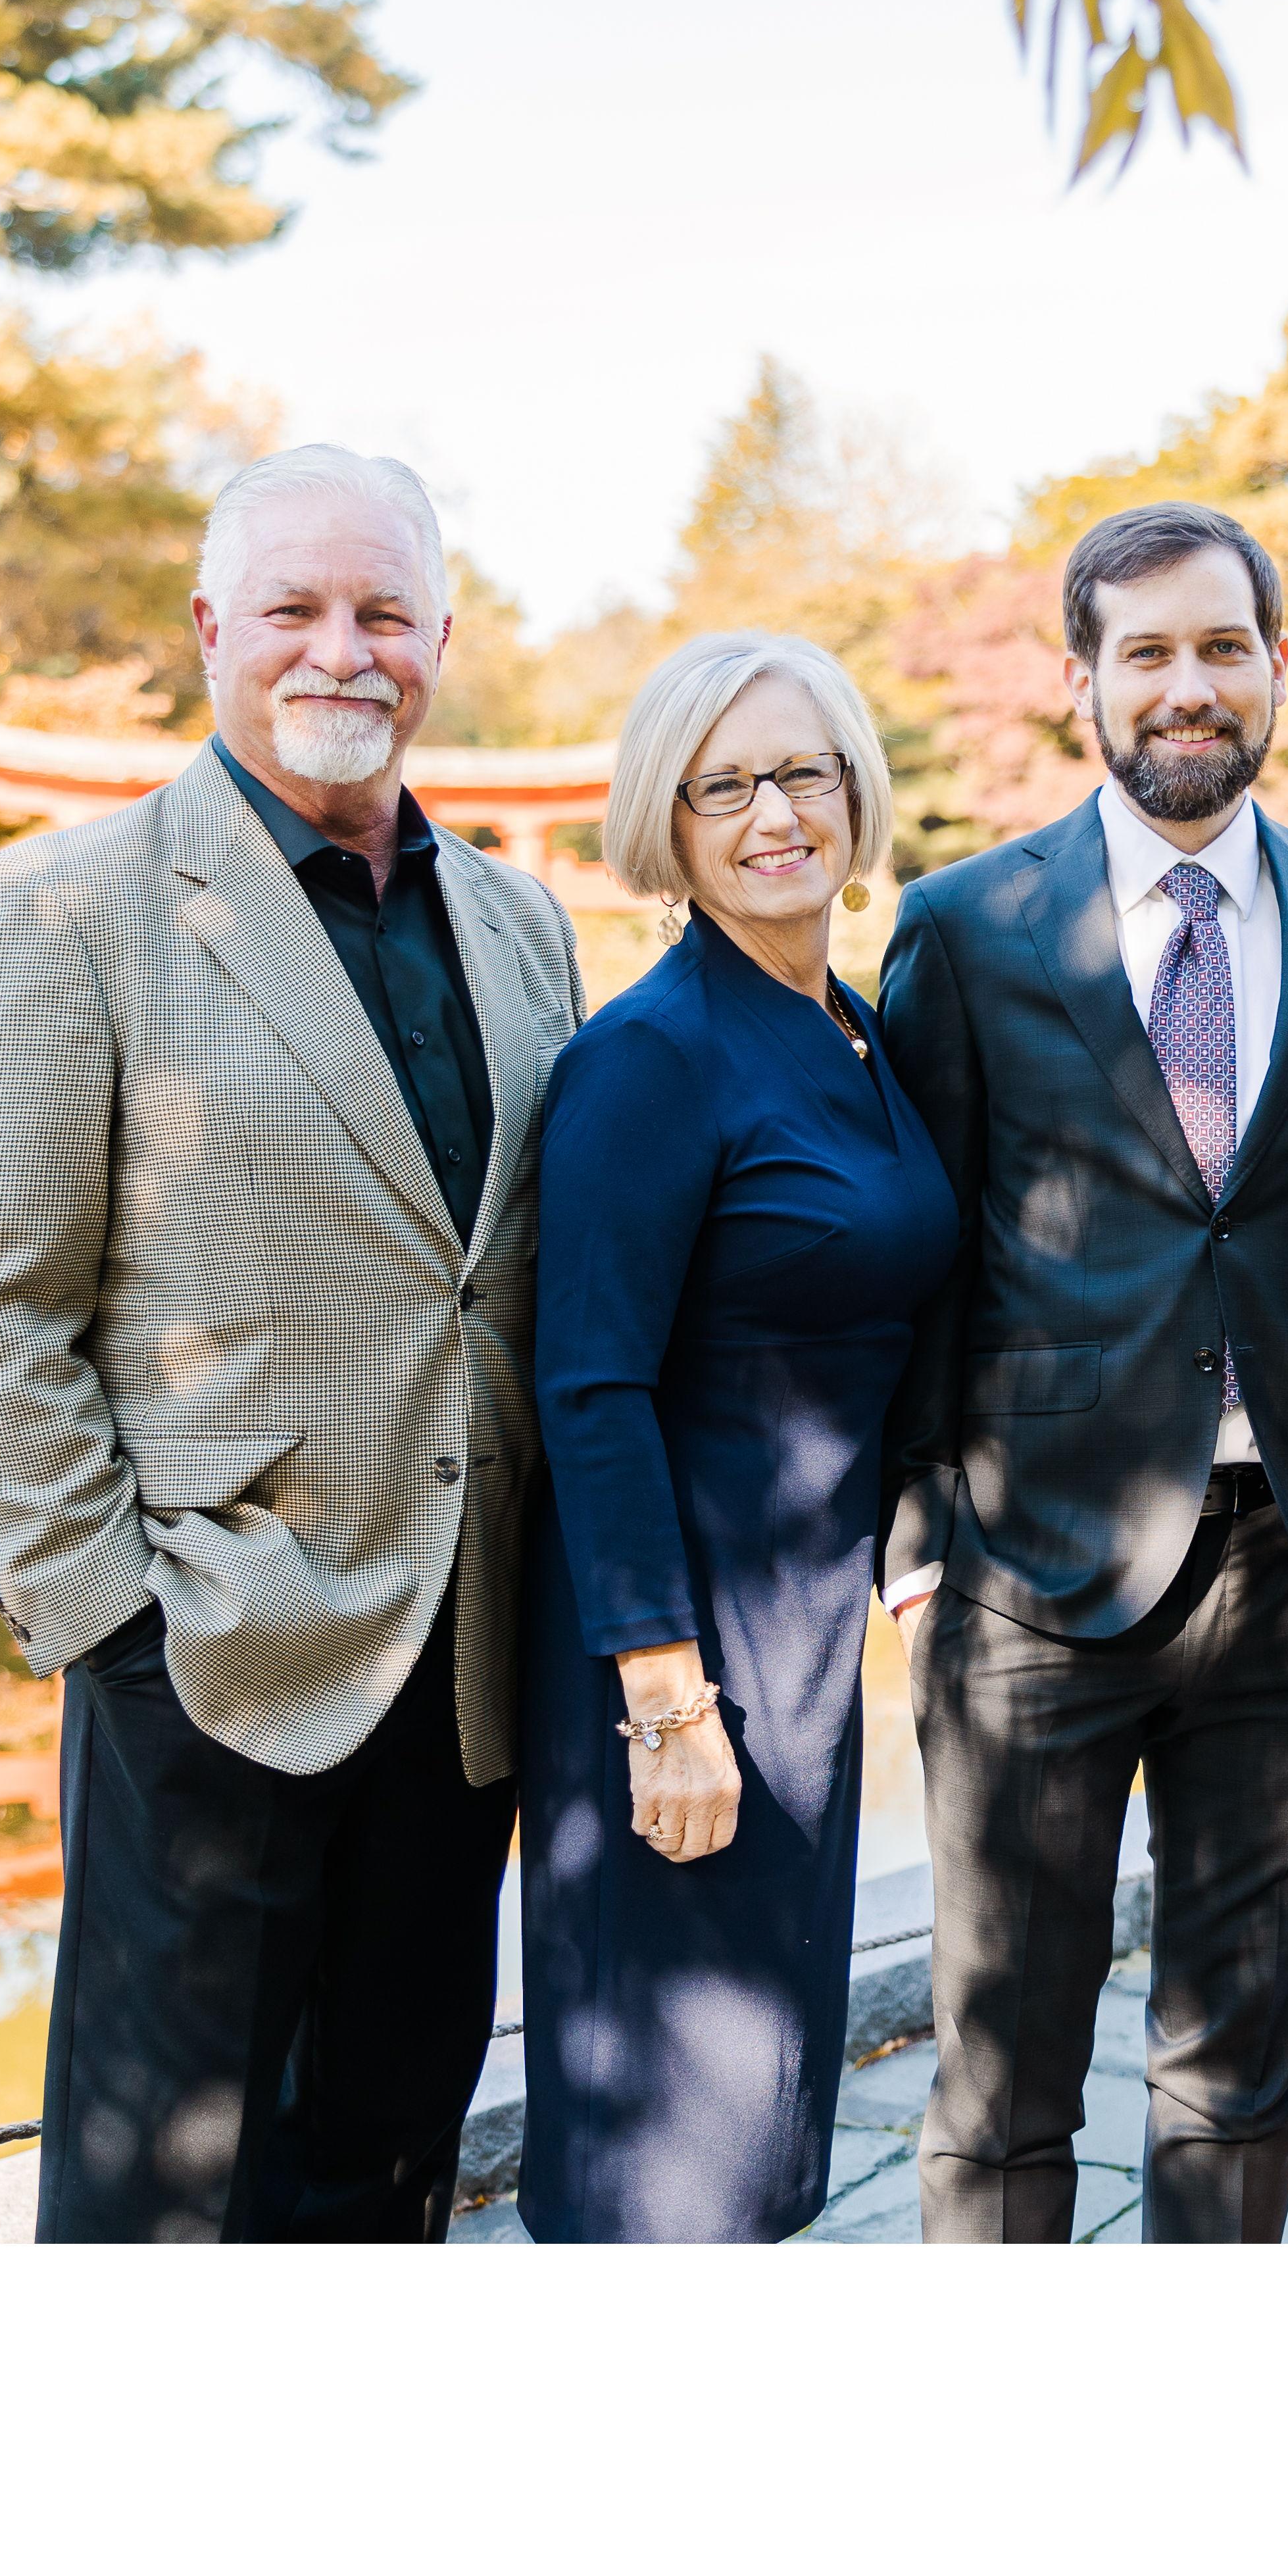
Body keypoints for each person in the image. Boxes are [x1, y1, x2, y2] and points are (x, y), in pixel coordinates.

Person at [0, 446, 585, 2242]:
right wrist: (114, 1626)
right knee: (172, 2210)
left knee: (391, 2165)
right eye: (295, 608)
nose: (341, 651)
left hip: (465, 1674)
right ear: (213, 629)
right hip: (206, 1657)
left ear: (440, 640)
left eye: (383, 613)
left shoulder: (521, 923)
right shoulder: (70, 908)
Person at [875, 502, 1288, 2244]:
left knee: (1237, 2075)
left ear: (1279, 664)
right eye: (1148, 653)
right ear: (1082, 681)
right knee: (1002, 2085)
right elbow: (923, 1246)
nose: (1188, 686)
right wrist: (917, 1526)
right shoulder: (969, 925)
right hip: (1031, 1574)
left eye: (1221, 647)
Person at [515, 636, 956, 2242]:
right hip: (678, 1655)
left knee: (765, 2114)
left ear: (854, 790)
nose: (775, 815)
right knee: (673, 2146)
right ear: (670, 820)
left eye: (802, 773)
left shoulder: (853, 1028)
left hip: (804, 1643)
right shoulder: (649, 1058)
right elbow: (590, 1386)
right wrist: (664, 1699)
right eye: (725, 787)